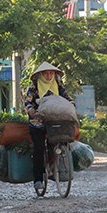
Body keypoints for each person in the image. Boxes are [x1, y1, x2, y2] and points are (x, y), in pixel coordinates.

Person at [24, 61, 74, 190]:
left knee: (56, 144)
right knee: (39, 149)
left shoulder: (58, 85)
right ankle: (38, 179)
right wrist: (31, 110)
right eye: (46, 73)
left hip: (54, 121)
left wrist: (71, 105)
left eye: (51, 73)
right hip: (38, 123)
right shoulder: (34, 87)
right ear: (40, 74)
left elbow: (67, 98)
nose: (48, 75)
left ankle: (54, 167)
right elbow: (28, 102)